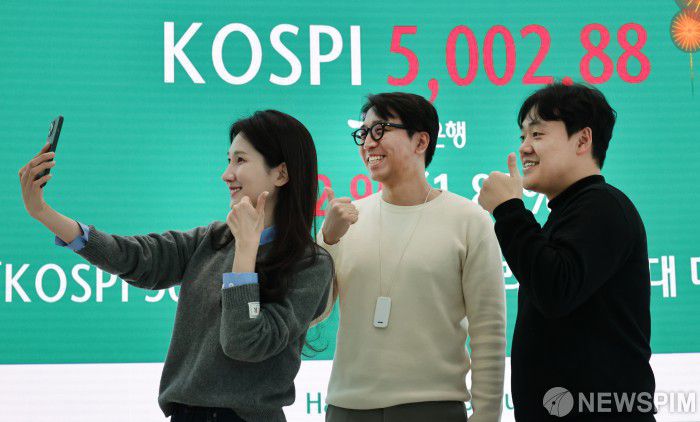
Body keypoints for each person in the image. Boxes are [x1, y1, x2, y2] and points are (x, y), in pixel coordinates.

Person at [19, 110, 334, 422]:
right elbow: (133, 256)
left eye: (240, 160)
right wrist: (43, 212)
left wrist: (246, 252)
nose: (226, 174)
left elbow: (243, 342)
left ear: (281, 174)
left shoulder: (310, 265)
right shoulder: (211, 239)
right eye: (228, 160)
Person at [315, 92, 507, 422]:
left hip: (434, 406)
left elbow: (488, 329)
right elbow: (313, 314)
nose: (368, 144)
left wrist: (487, 415)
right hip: (347, 407)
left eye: (380, 130)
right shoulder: (343, 221)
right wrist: (328, 242)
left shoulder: (469, 220)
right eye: (363, 133)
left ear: (421, 141)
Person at [478, 82, 656, 421]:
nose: (524, 148)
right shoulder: (570, 212)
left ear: (583, 140)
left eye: (537, 134)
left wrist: (509, 210)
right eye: (522, 137)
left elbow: (555, 289)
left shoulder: (602, 205)